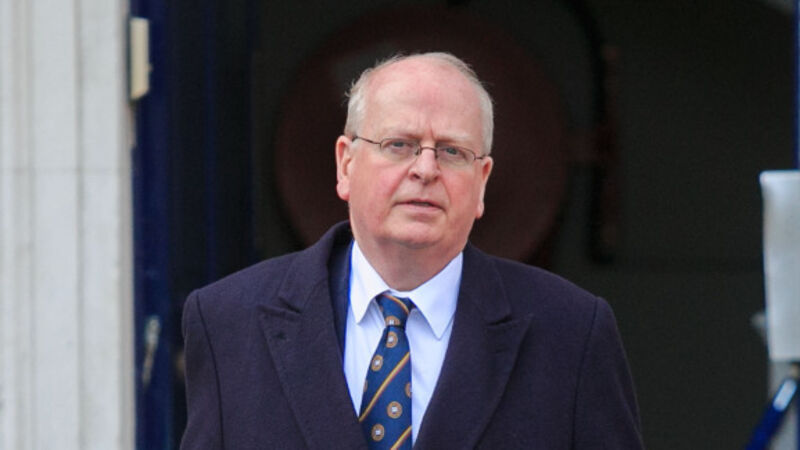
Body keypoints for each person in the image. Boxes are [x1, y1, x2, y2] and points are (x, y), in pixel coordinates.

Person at [181, 52, 643, 449]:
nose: (425, 169)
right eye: (398, 145)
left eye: (452, 151)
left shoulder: (572, 334)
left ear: (482, 182)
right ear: (345, 164)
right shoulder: (229, 322)